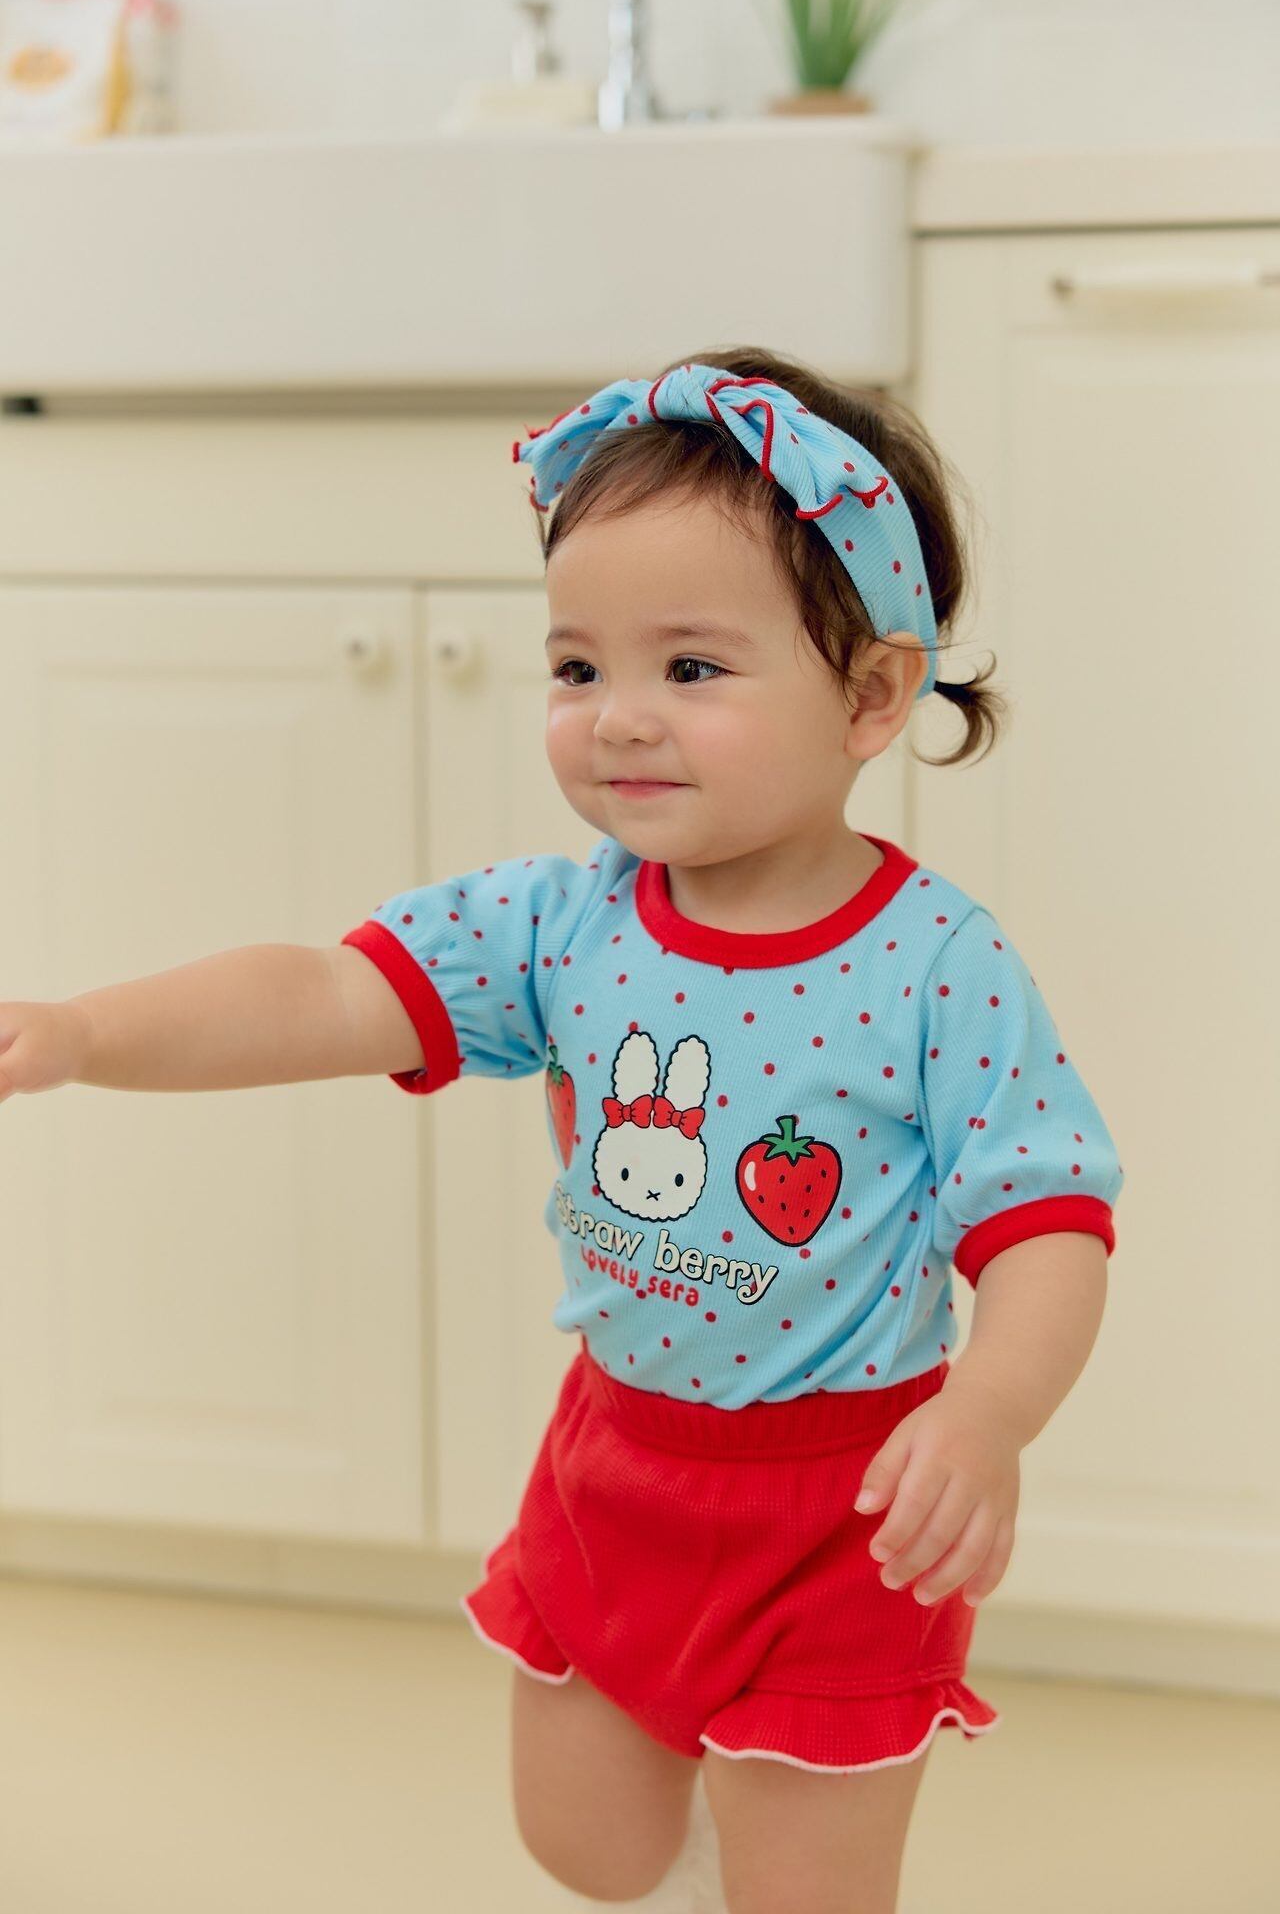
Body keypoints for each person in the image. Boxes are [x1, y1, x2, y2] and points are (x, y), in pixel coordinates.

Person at [0, 345, 1124, 1914]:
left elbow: (1046, 1220)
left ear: (873, 694)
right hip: (617, 1469)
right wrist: (85, 1032)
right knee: (581, 1842)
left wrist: (991, 1411)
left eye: (692, 669)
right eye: (579, 667)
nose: (619, 721)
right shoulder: (560, 923)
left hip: (849, 1510)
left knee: (809, 1888)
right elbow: (324, 992)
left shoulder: (939, 966)